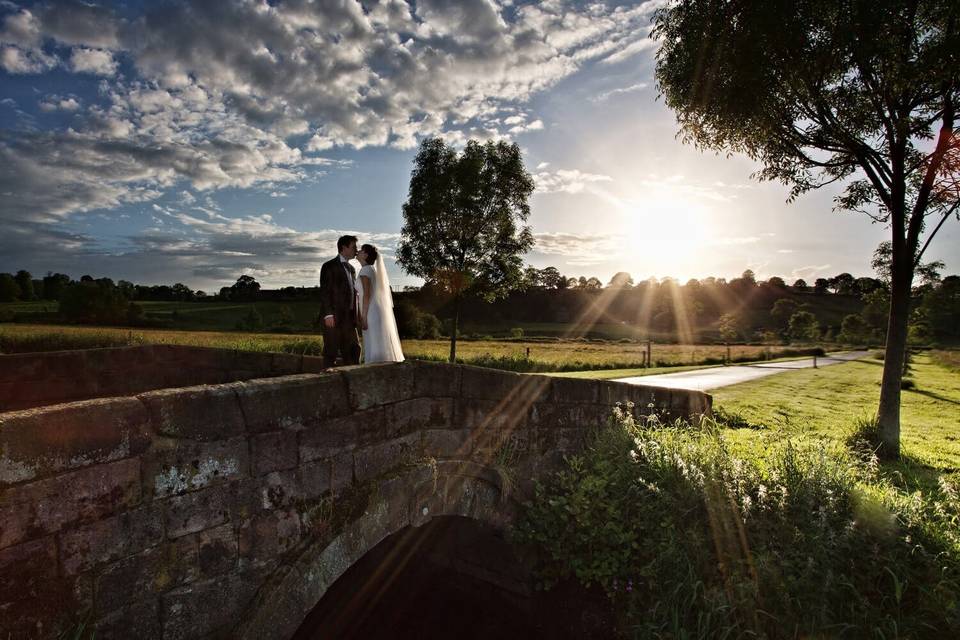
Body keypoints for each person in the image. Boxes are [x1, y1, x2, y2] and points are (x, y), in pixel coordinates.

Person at [356, 243, 404, 363]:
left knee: (373, 343)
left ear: (366, 255)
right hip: (376, 310)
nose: (358, 251)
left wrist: (364, 317)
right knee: (378, 341)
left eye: (361, 250)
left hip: (370, 312)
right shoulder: (372, 270)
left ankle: (373, 367)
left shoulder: (365, 271)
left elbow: (367, 295)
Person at [319, 235, 361, 367]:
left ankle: (353, 379)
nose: (356, 249)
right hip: (334, 317)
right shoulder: (328, 266)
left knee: (354, 349)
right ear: (344, 247)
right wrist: (328, 314)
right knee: (331, 350)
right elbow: (325, 291)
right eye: (354, 247)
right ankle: (325, 379)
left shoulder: (352, 269)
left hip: (349, 318)